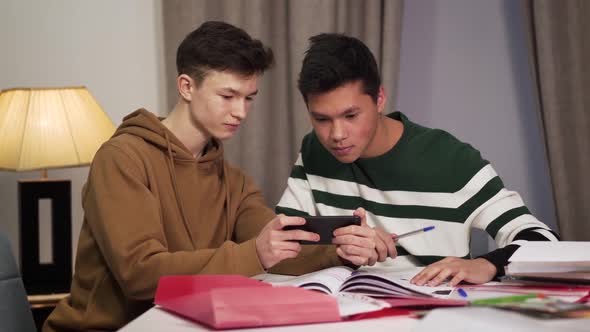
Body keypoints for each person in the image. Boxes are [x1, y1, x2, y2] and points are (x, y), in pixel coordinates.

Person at [43, 22, 380, 332]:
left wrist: (341, 249)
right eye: (227, 96)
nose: (241, 111)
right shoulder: (121, 160)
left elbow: (276, 243)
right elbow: (140, 274)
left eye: (249, 98)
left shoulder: (233, 180)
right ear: (187, 86)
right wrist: (256, 254)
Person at [276, 32, 559, 288]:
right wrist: (341, 250)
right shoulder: (314, 150)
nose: (336, 135)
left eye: (351, 116)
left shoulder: (451, 161)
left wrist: (485, 264)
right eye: (322, 119)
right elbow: (280, 245)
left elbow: (543, 239)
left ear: (379, 99)